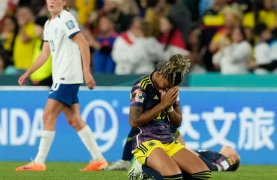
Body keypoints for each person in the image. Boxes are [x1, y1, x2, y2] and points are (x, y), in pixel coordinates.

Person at [15, 0, 108, 171]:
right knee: (74, 119)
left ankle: (39, 162)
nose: (52, 1)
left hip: (67, 76)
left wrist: (86, 71)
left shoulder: (66, 18)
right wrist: (28, 72)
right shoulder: (49, 23)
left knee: (47, 115)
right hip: (61, 77)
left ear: (64, 2)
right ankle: (99, 159)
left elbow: (84, 43)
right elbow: (45, 53)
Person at [129, 54, 211, 179]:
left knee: (203, 175)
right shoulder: (142, 86)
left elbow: (178, 122)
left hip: (168, 141)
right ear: (159, 74)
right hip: (146, 141)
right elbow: (134, 122)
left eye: (172, 87)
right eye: (167, 85)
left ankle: (153, 172)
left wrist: (170, 108)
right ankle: (141, 169)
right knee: (173, 177)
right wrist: (163, 105)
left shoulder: (171, 87)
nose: (169, 89)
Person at [128, 145, 240, 179]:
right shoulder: (216, 155)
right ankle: (144, 169)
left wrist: (191, 155)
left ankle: (143, 168)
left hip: (199, 163)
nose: (230, 147)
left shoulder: (227, 161)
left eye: (234, 151)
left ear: (233, 159)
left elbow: (215, 167)